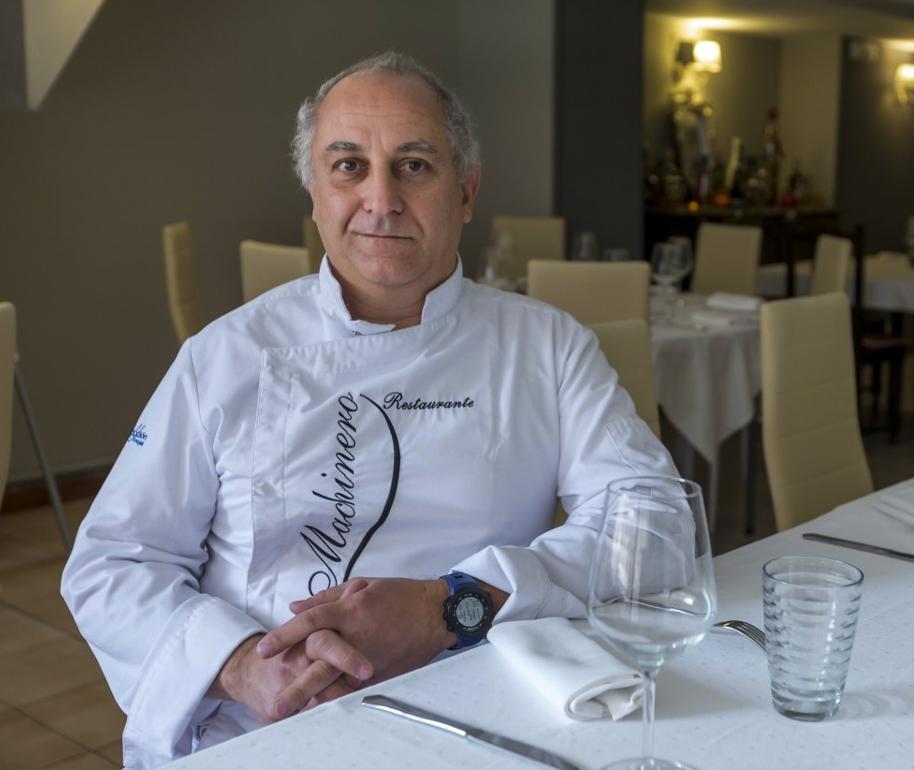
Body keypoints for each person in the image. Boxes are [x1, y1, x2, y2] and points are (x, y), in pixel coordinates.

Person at [61, 51, 674, 768]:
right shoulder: (223, 357)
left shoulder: (547, 346)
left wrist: (448, 608)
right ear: (315, 195)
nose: (380, 200)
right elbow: (112, 561)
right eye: (349, 166)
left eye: (414, 165)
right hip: (261, 729)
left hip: (482, 711)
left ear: (467, 191)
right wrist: (238, 663)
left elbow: (654, 520)